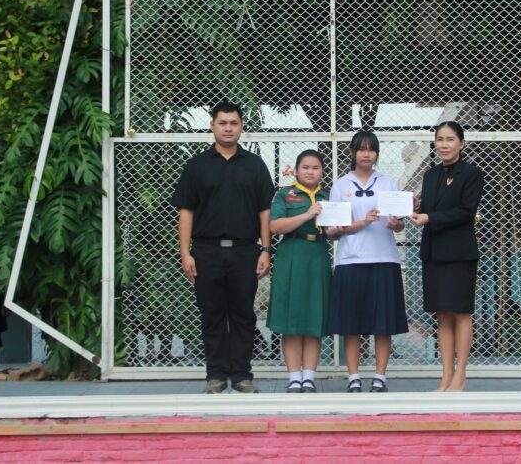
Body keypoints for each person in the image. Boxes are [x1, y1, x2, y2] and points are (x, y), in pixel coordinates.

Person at [172, 101, 275, 394]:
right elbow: (186, 212)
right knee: (212, 315)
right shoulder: (196, 166)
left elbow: (265, 211)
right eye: (223, 123)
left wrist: (266, 250)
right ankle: (215, 375)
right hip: (206, 251)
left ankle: (242, 375)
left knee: (244, 315)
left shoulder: (255, 165)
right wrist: (185, 253)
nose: (228, 128)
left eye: (233, 123)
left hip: (245, 251)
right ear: (212, 126)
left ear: (241, 126)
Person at [326, 130, 408, 393]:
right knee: (351, 324)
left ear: (376, 154)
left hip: (384, 258)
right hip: (349, 261)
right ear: (351, 152)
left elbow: (399, 224)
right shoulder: (341, 185)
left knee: (383, 324)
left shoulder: (389, 183)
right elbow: (332, 231)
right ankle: (353, 377)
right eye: (361, 149)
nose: (366, 154)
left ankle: (380, 377)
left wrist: (395, 224)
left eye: (371, 149)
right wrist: (360, 223)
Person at [409, 121, 484, 392]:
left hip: (459, 253)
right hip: (434, 252)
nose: (444, 144)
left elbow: (466, 211)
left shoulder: (472, 173)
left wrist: (429, 218)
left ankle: (460, 374)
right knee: (441, 315)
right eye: (440, 139)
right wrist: (417, 207)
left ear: (462, 143)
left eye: (450, 139)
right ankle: (446, 374)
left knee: (461, 313)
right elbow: (430, 209)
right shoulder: (430, 175)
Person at [267, 149, 330, 393]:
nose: (310, 171)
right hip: (291, 255)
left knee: (314, 318)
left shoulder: (328, 196)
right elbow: (275, 226)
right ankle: (294, 377)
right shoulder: (285, 194)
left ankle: (309, 377)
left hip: (317, 255)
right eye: (305, 167)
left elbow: (334, 231)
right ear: (296, 170)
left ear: (322, 171)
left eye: (315, 167)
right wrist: (307, 214)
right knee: (291, 319)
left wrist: (336, 229)